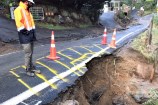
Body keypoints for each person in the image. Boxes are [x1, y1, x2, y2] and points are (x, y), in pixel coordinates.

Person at [14, 0, 40, 77]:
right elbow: (19, 23)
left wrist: (32, 33)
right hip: (25, 35)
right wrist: (26, 32)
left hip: (30, 34)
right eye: (31, 3)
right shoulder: (18, 9)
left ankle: (31, 67)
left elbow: (30, 23)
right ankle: (28, 69)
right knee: (28, 53)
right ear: (26, 2)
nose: (31, 4)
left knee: (31, 52)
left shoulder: (27, 10)